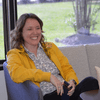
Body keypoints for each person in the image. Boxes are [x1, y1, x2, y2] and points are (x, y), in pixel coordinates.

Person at [7, 13, 99, 100]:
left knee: (90, 81)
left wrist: (72, 81)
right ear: (21, 32)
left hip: (66, 91)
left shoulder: (50, 47)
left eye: (37, 28)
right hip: (49, 95)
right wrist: (49, 77)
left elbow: (66, 67)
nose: (35, 32)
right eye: (29, 29)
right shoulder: (15, 54)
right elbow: (16, 73)